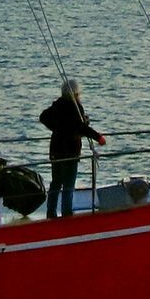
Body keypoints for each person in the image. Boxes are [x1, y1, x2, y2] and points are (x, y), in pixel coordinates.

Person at [38, 78, 104, 221]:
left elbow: (43, 117)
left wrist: (56, 128)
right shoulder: (75, 107)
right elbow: (81, 128)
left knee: (56, 182)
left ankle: (51, 212)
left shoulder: (58, 105)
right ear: (76, 93)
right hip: (70, 151)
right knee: (68, 184)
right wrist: (98, 137)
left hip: (56, 150)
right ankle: (67, 213)